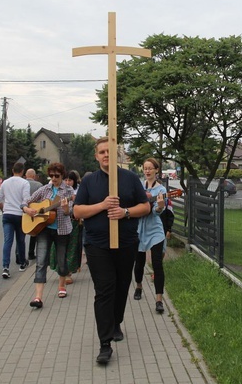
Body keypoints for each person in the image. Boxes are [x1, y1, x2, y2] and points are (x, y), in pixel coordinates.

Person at [73, 137, 151, 365]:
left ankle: (116, 321)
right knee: (104, 290)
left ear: (116, 154)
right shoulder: (89, 181)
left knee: (121, 286)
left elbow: (145, 206)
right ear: (96, 156)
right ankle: (105, 344)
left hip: (126, 243)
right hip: (97, 246)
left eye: (110, 151)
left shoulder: (130, 178)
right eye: (102, 152)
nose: (106, 155)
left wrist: (125, 212)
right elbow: (77, 211)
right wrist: (103, 205)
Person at [22, 163, 74, 308]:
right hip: (44, 229)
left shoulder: (69, 191)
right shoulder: (44, 189)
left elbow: (69, 212)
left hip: (62, 230)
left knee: (61, 259)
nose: (54, 178)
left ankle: (61, 286)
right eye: (51, 176)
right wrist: (27, 209)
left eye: (56, 176)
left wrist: (65, 208)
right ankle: (38, 296)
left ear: (62, 175)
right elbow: (26, 201)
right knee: (41, 260)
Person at [133, 158, 167, 313]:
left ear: (156, 170)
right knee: (139, 262)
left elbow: (157, 211)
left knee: (157, 264)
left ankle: (159, 300)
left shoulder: (161, 190)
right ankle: (139, 286)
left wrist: (159, 207)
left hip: (155, 229)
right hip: (139, 229)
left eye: (150, 168)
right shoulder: (138, 186)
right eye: (145, 168)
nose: (147, 171)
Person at [0, 162, 30, 279]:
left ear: (12, 170)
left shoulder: (5, 183)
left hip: (8, 214)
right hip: (20, 215)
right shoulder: (25, 183)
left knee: (7, 241)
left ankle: (5, 267)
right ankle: (22, 264)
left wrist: (3, 210)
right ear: (22, 171)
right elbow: (26, 199)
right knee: (20, 240)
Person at [51, 170, 82, 284]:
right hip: (61, 223)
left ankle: (68, 272)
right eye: (66, 180)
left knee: (72, 248)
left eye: (70, 180)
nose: (68, 182)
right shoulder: (60, 190)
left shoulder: (77, 191)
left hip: (74, 222)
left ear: (74, 181)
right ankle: (61, 271)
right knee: (59, 248)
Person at [25, 169, 43, 260]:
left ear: (26, 175)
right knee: (34, 232)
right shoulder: (38, 185)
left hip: (23, 210)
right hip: (34, 211)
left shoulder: (22, 184)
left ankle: (18, 255)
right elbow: (41, 200)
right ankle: (31, 253)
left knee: (21, 234)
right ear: (34, 176)